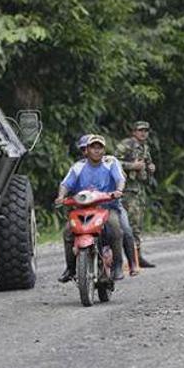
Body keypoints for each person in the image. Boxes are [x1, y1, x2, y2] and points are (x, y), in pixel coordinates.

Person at [56, 135, 126, 282]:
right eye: (93, 147)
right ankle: (70, 268)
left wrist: (118, 190)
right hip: (82, 210)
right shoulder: (78, 167)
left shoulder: (110, 163)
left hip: (107, 208)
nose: (96, 151)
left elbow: (120, 179)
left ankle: (118, 266)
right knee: (68, 230)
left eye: (99, 147)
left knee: (115, 227)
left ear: (104, 150)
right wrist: (61, 196)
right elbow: (65, 184)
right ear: (86, 150)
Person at [116, 121, 156, 268]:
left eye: (146, 130)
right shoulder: (126, 145)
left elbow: (148, 163)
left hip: (138, 190)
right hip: (125, 190)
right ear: (134, 132)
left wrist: (150, 167)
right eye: (140, 130)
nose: (143, 133)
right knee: (128, 225)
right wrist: (132, 166)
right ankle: (128, 259)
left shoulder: (145, 147)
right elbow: (113, 162)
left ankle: (137, 256)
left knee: (137, 224)